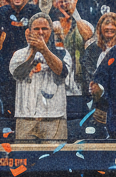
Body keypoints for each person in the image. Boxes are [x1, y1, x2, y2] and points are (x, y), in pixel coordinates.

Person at [9, 12, 71, 142]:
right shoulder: (19, 54)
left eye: (45, 29)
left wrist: (44, 50)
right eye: (36, 29)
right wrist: (33, 52)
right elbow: (18, 74)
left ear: (51, 31)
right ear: (28, 32)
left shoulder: (63, 53)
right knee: (24, 159)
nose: (41, 32)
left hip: (54, 117)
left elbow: (62, 72)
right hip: (25, 117)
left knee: (55, 160)